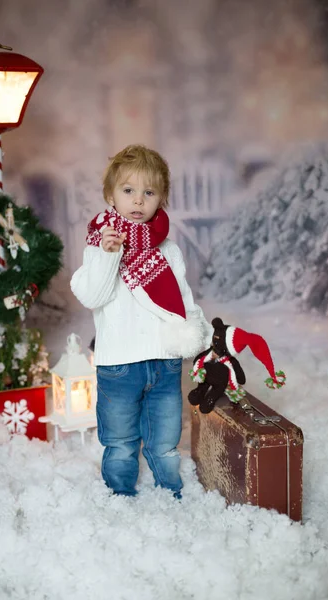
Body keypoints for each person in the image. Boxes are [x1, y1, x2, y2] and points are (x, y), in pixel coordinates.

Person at [70, 144, 211, 498]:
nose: (137, 201)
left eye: (148, 192)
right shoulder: (99, 246)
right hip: (118, 364)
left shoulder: (169, 250)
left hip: (164, 361)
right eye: (128, 190)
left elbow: (183, 300)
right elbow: (93, 296)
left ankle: (170, 490)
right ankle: (120, 494)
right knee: (119, 440)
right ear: (111, 196)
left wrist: (200, 335)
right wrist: (108, 255)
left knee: (165, 439)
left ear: (160, 199)